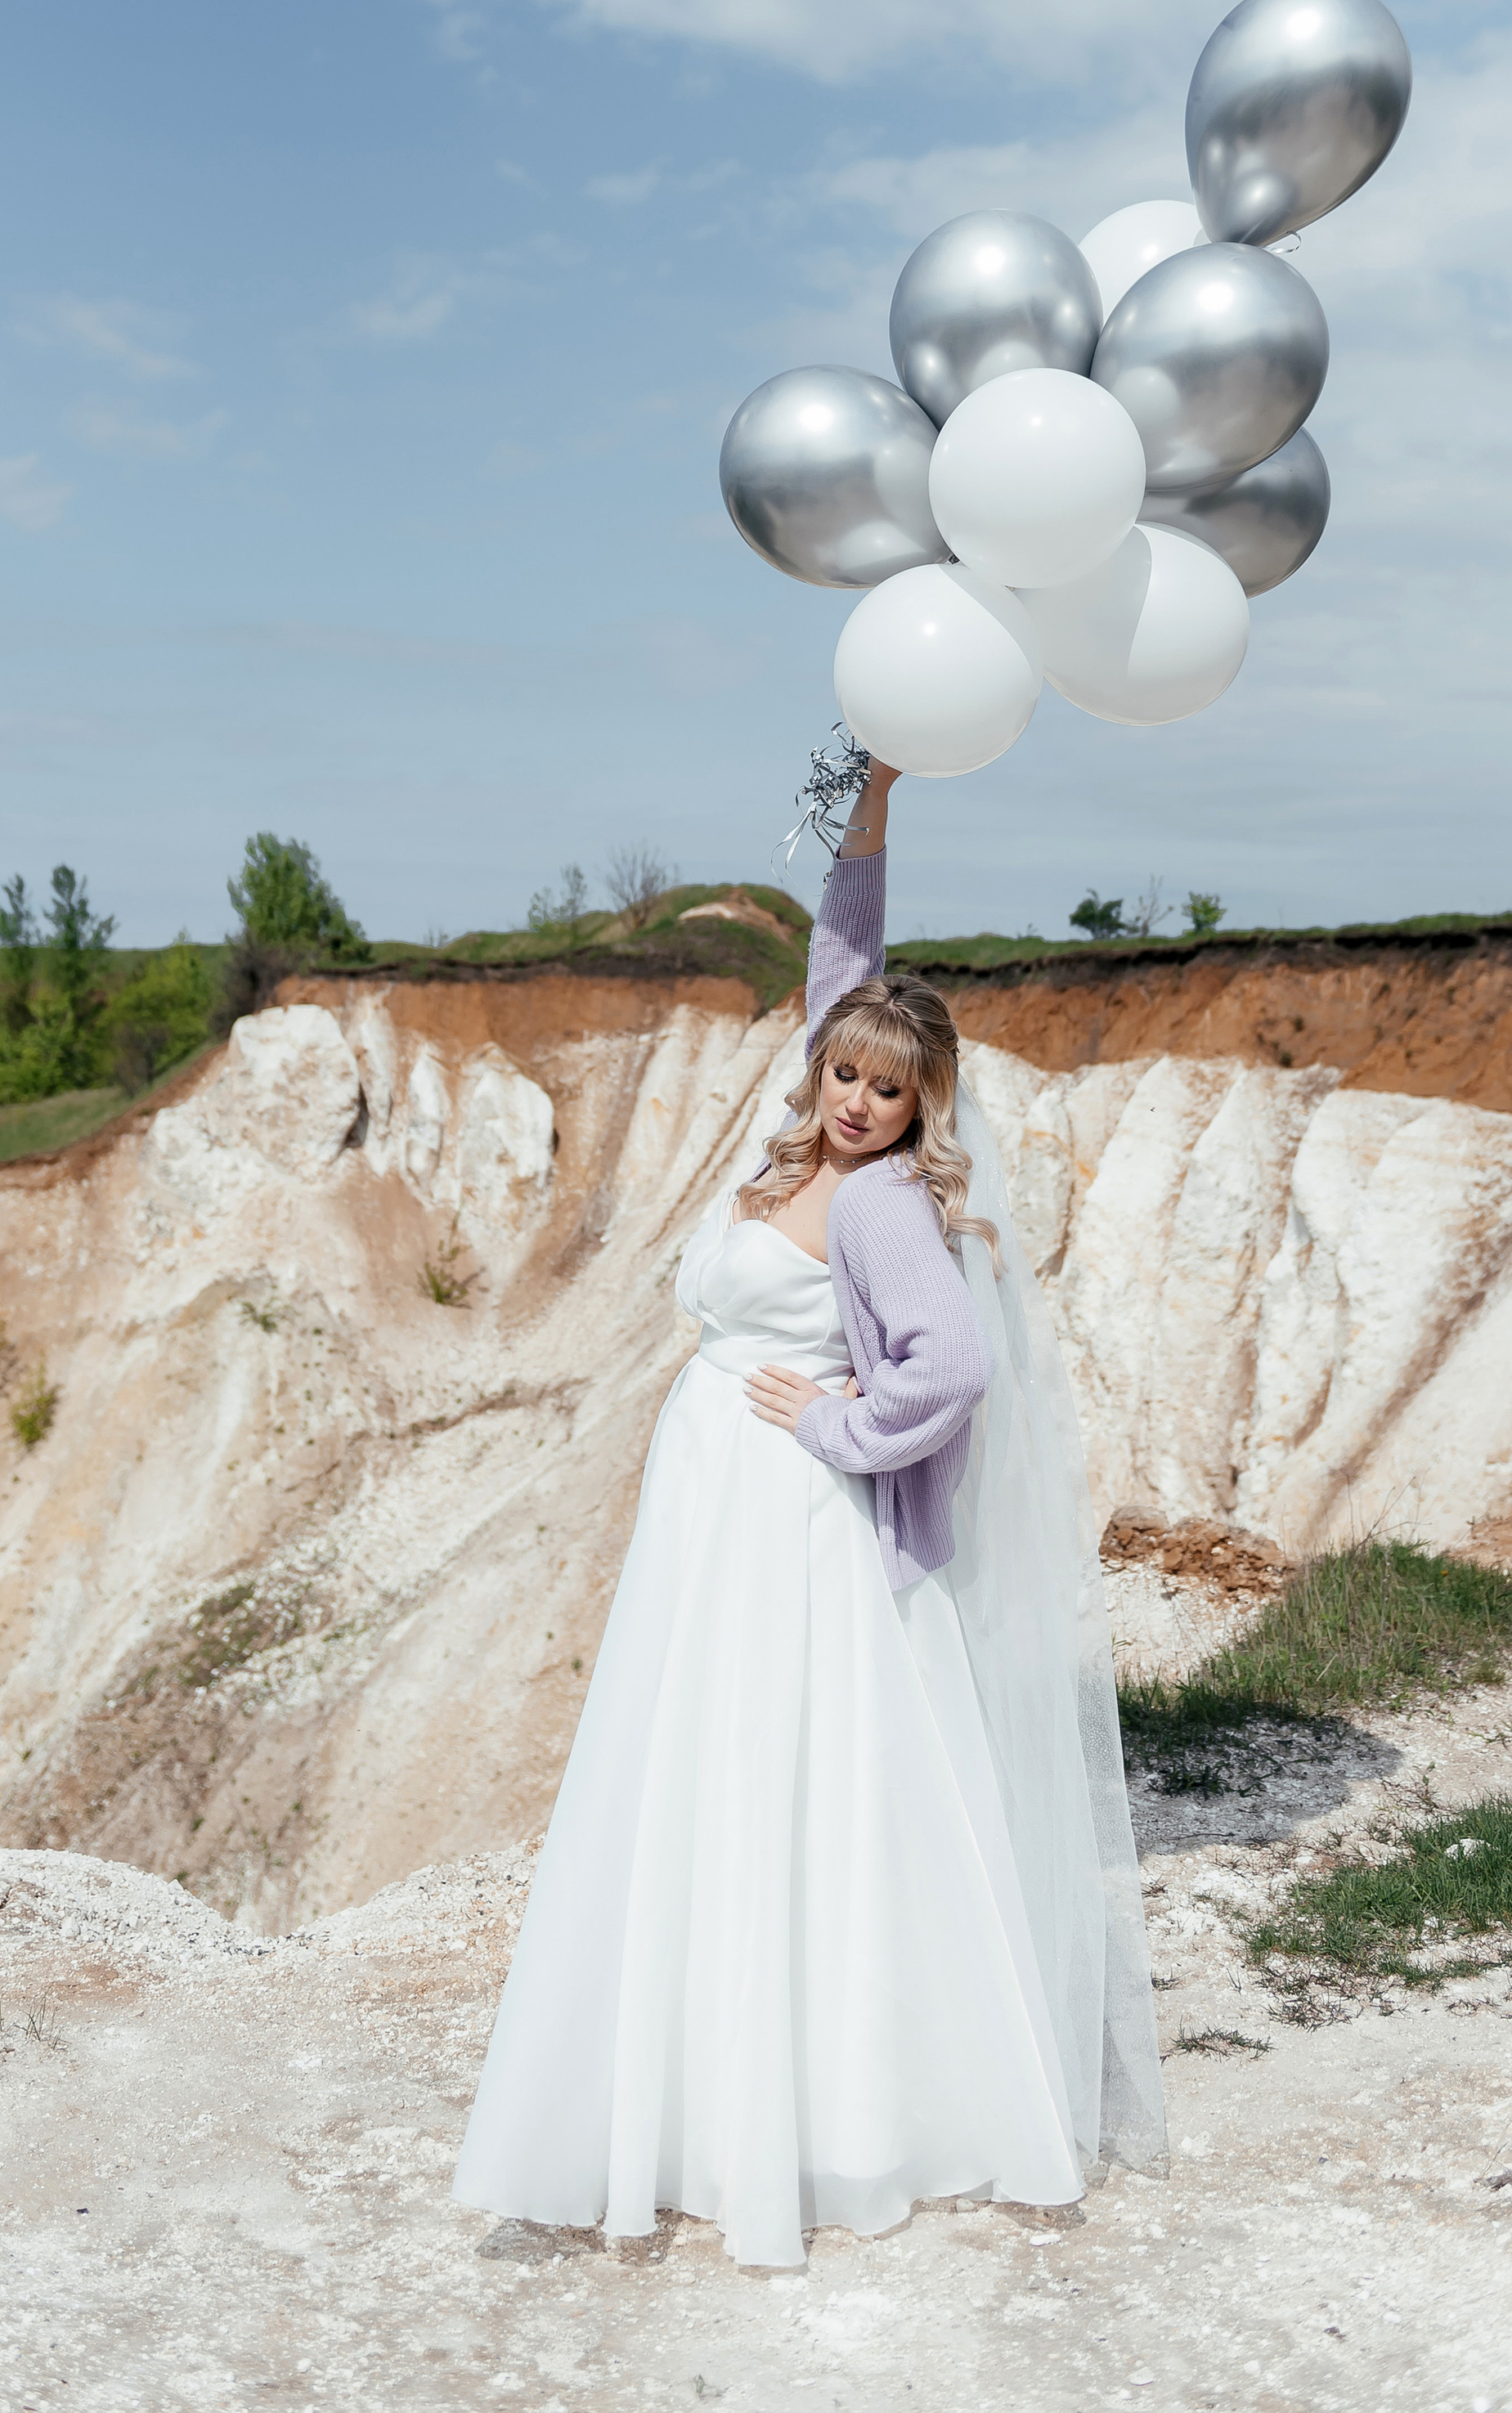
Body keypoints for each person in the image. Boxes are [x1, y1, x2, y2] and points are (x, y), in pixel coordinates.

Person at [453, 761, 1163, 2267]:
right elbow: (846, 964)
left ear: (922, 1107)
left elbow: (954, 1366)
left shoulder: (887, 1200)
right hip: (707, 1495)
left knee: (800, 1775)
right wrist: (879, 797)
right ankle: (702, 2090)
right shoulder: (801, 1140)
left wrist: (843, 1423)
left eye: (887, 1088)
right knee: (703, 1767)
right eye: (844, 1074)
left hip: (789, 1508)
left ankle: (825, 2111)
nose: (855, 1099)